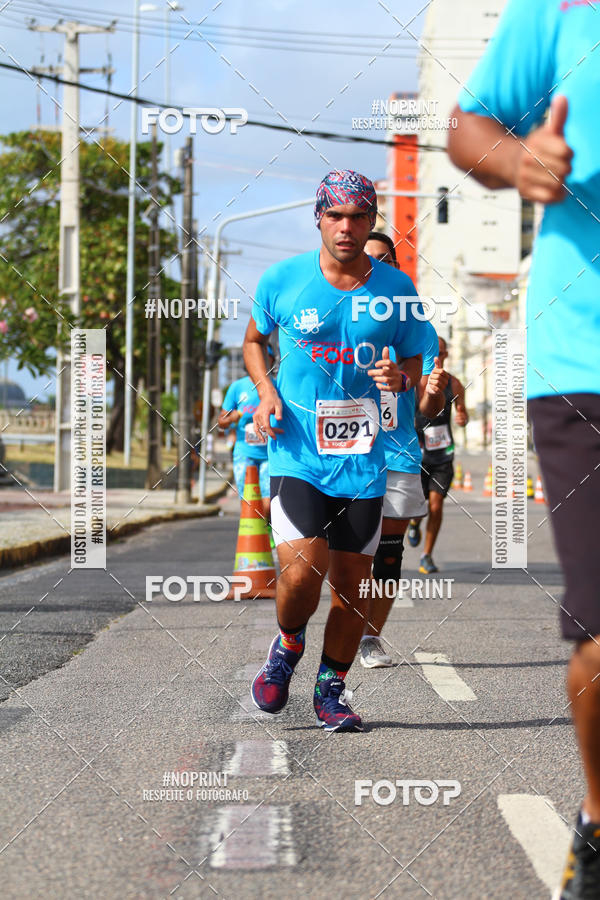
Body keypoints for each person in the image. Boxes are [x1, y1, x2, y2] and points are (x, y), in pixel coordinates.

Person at [447, 2, 600, 895]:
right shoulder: (559, 12)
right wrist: (519, 161)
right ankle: (598, 817)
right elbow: (470, 128)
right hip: (587, 363)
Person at [244, 170, 429, 731]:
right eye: (335, 216)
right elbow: (255, 340)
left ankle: (332, 689)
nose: (346, 228)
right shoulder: (282, 279)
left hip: (366, 462)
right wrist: (266, 390)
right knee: (302, 574)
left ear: (371, 220)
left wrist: (400, 376)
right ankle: (288, 644)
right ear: (319, 218)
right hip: (298, 451)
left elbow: (416, 360)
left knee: (352, 584)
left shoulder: (398, 291)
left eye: (358, 217)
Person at [358, 232, 448, 668]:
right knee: (352, 554)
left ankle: (370, 639)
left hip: (398, 453)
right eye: (366, 258)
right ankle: (341, 630)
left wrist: (432, 389)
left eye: (383, 260)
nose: (373, 267)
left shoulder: (420, 331)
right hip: (347, 455)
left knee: (388, 554)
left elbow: (427, 409)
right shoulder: (341, 317)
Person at [408, 336, 468, 575]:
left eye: (441, 353)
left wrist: (463, 418)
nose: (437, 357)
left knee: (436, 504)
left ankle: (426, 555)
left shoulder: (453, 383)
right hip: (415, 455)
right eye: (433, 352)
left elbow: (463, 415)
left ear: (446, 355)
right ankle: (414, 522)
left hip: (443, 455)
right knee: (419, 506)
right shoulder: (412, 382)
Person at [217, 344, 276, 521]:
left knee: (268, 503)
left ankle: (265, 534)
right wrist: (231, 418)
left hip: (270, 454)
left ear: (272, 360)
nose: (263, 361)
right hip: (244, 453)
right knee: (249, 502)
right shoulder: (237, 388)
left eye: (267, 357)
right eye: (259, 357)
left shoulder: (277, 385)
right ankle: (254, 540)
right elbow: (221, 422)